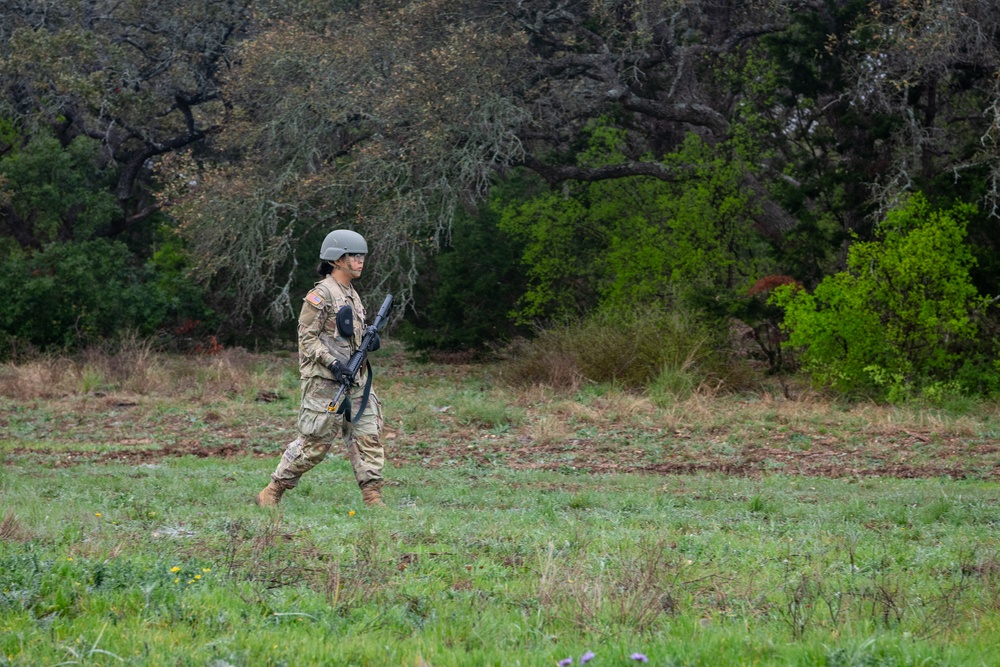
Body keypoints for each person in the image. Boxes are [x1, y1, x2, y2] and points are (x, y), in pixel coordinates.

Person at [256, 229, 386, 508]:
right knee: (315, 445)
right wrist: (335, 364)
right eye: (354, 255)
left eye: (362, 255)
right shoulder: (321, 294)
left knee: (369, 437)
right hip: (326, 382)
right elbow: (307, 339)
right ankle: (273, 489)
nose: (360, 261)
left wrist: (370, 342)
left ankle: (372, 496)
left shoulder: (351, 293)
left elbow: (351, 337)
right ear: (336, 259)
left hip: (357, 380)